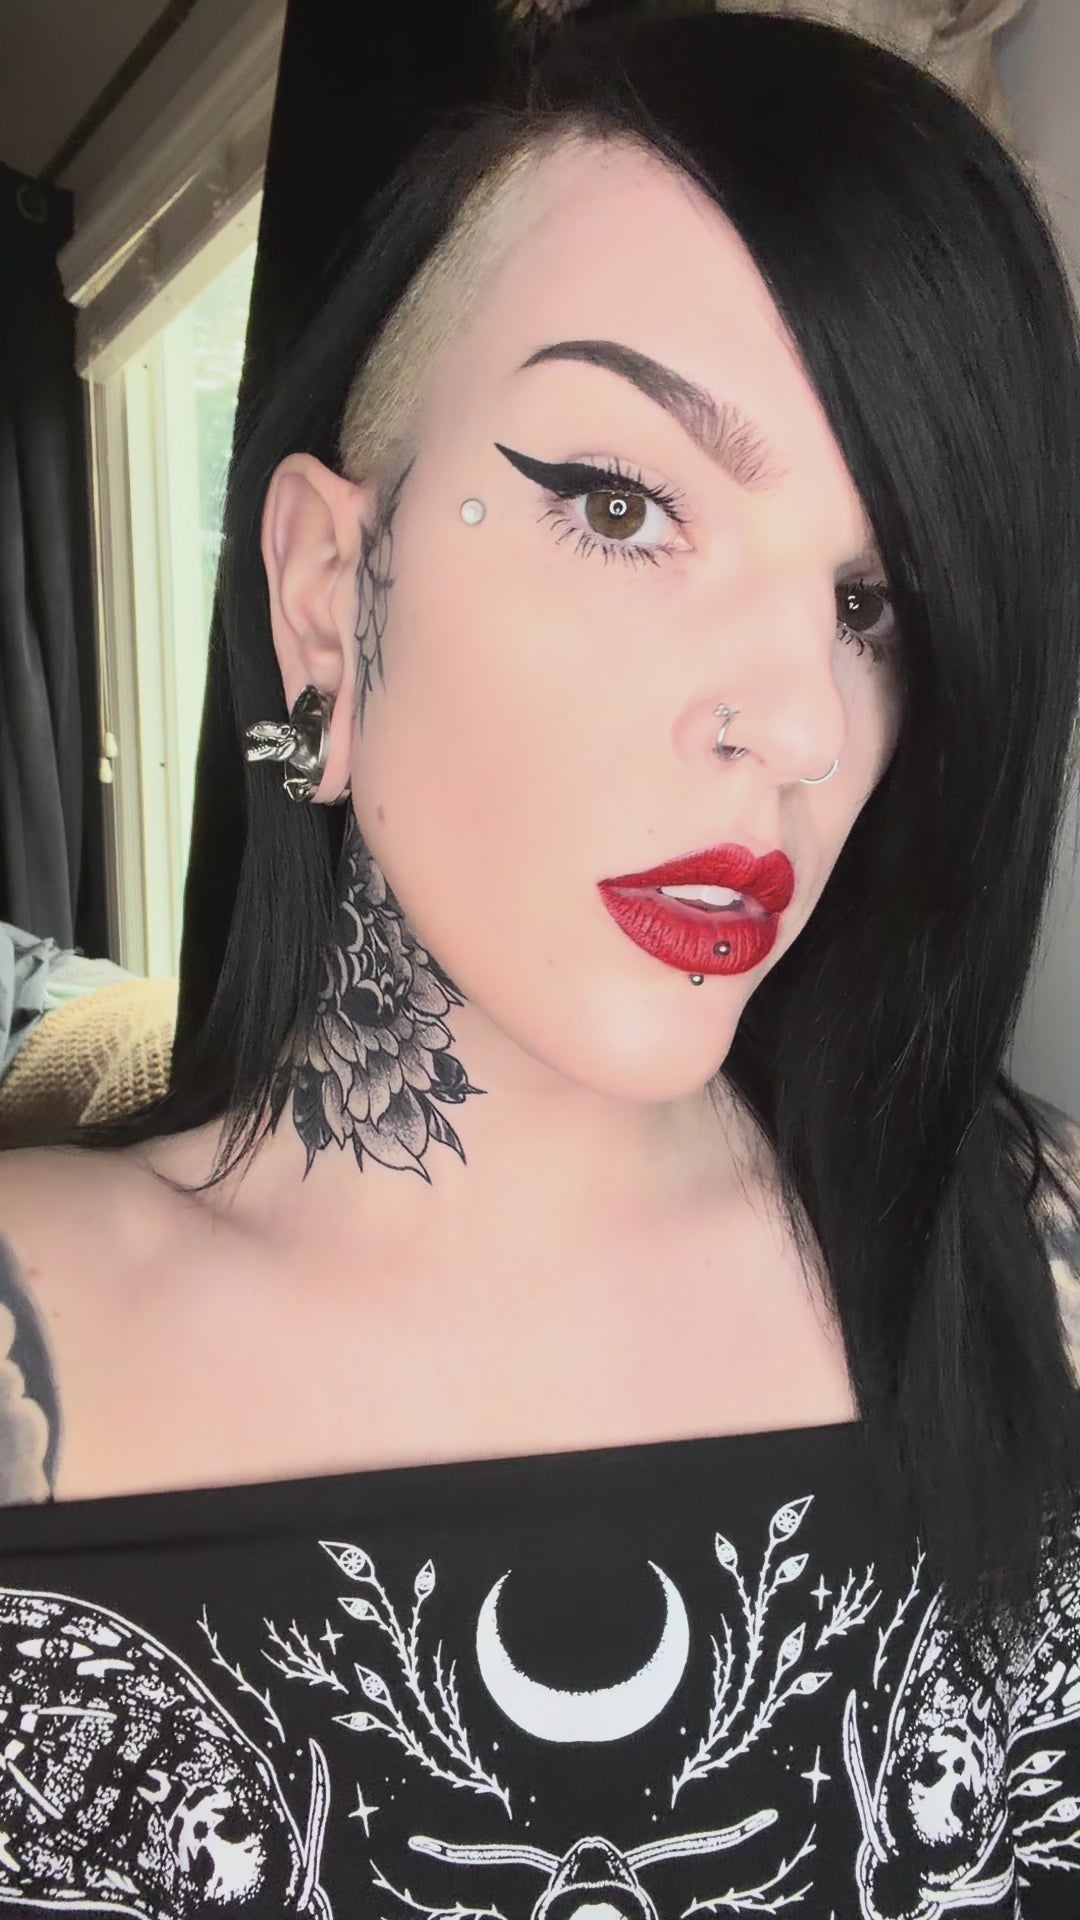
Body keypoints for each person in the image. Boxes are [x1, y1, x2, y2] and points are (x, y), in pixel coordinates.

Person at [1, 8, 1080, 1908]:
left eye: (870, 601)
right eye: (624, 505)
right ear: (326, 595)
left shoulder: (1036, 1253)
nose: (800, 724)